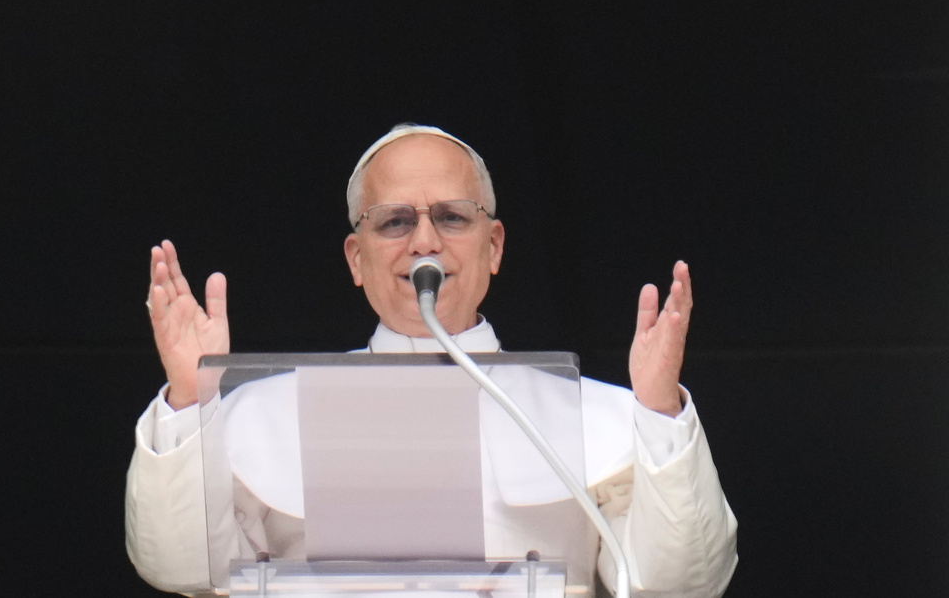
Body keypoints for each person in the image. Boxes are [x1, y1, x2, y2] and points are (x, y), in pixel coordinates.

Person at [126, 124, 738, 596]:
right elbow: (179, 569)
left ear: (493, 246)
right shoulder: (263, 411)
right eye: (394, 221)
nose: (424, 240)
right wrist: (188, 398)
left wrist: (657, 411)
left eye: (450, 216)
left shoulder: (591, 414)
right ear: (355, 259)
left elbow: (680, 584)